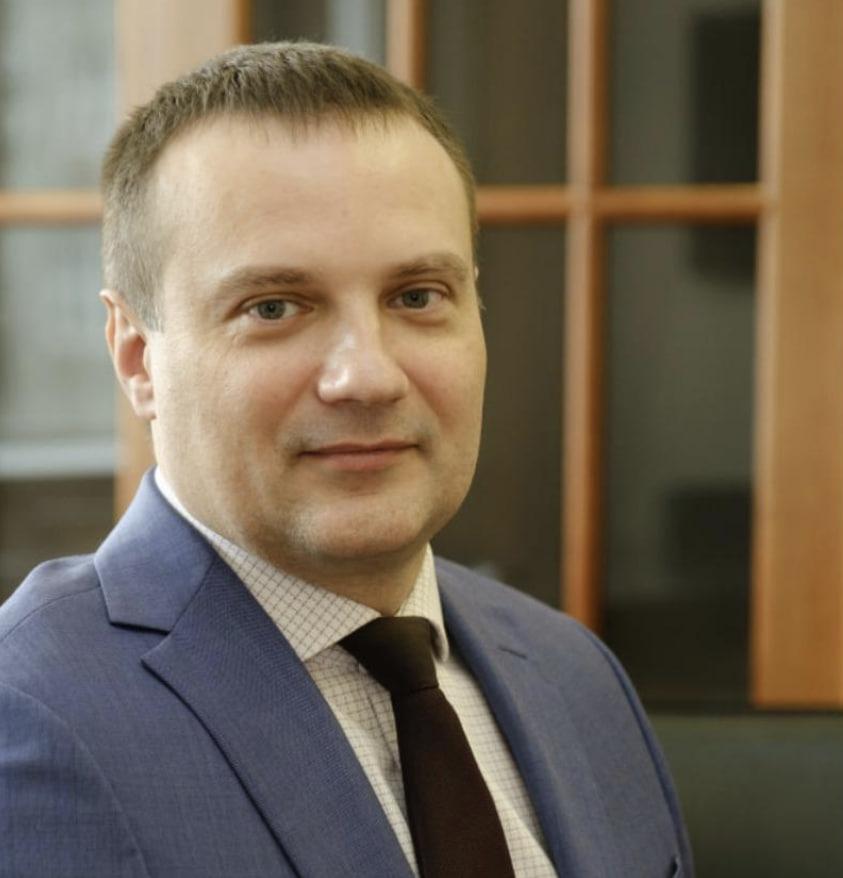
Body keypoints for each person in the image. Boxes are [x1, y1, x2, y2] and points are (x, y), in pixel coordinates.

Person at [0, 43, 692, 877]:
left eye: (416, 297)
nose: (367, 376)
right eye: (274, 307)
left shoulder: (573, 674)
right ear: (138, 358)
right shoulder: (31, 717)